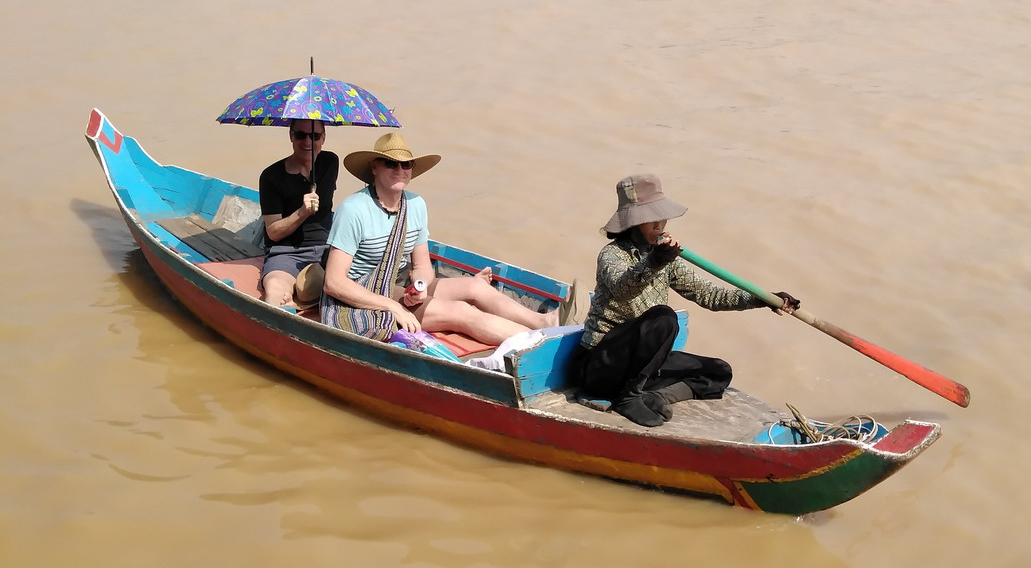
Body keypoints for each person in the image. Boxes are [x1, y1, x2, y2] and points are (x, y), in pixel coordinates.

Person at [570, 173, 800, 428]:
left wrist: (763, 299)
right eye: (651, 218)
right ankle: (628, 398)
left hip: (639, 368)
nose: (660, 224)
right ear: (634, 222)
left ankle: (656, 395)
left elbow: (709, 296)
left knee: (717, 372)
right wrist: (655, 262)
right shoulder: (612, 255)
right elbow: (623, 288)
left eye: (662, 217)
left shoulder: (666, 258)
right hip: (601, 367)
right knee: (664, 317)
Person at [322, 132, 584, 345]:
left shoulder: (415, 205)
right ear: (375, 168)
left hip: (400, 283)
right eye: (391, 163)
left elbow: (422, 265)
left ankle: (545, 323)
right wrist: (394, 307)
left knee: (477, 287)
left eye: (406, 164)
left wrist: (421, 286)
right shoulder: (353, 210)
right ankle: (539, 344)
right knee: (462, 312)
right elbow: (334, 283)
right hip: (370, 290)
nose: (400, 170)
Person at [258, 119, 339, 309]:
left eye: (315, 136)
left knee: (360, 281)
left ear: (323, 138)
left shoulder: (330, 162)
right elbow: (273, 232)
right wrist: (302, 213)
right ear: (291, 136)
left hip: (328, 247)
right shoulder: (271, 176)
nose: (308, 142)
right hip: (287, 252)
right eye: (301, 135)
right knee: (275, 291)